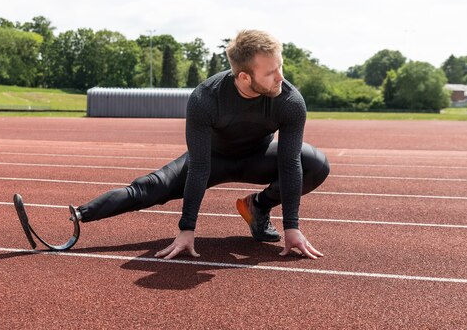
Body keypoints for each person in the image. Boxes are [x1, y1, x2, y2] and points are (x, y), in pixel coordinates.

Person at [73, 30, 330, 260]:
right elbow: (198, 166)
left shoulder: (289, 100)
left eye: (280, 66)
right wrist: (187, 228)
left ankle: (258, 206)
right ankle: (81, 214)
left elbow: (289, 162)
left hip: (258, 158)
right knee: (148, 188)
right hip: (210, 159)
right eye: (270, 72)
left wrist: (292, 227)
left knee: (315, 164)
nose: (281, 77)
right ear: (244, 77)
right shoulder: (205, 98)